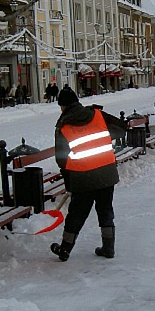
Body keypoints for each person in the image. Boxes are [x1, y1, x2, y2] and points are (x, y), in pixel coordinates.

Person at [51, 87, 126, 262]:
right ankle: (109, 248)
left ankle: (65, 249)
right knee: (105, 210)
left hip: (83, 177)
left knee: (77, 213)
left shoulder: (63, 125)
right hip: (106, 173)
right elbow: (121, 129)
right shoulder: (97, 114)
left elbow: (61, 159)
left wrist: (69, 177)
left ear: (63, 106)